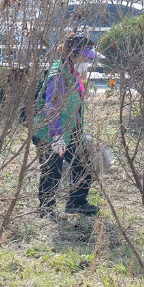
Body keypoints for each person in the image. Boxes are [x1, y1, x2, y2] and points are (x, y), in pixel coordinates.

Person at [32, 33, 100, 218]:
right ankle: (45, 210)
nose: (88, 62)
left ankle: (76, 203)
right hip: (50, 133)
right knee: (51, 172)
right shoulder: (58, 75)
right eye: (86, 58)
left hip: (70, 132)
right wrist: (57, 136)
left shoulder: (72, 72)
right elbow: (52, 107)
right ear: (73, 55)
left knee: (84, 163)